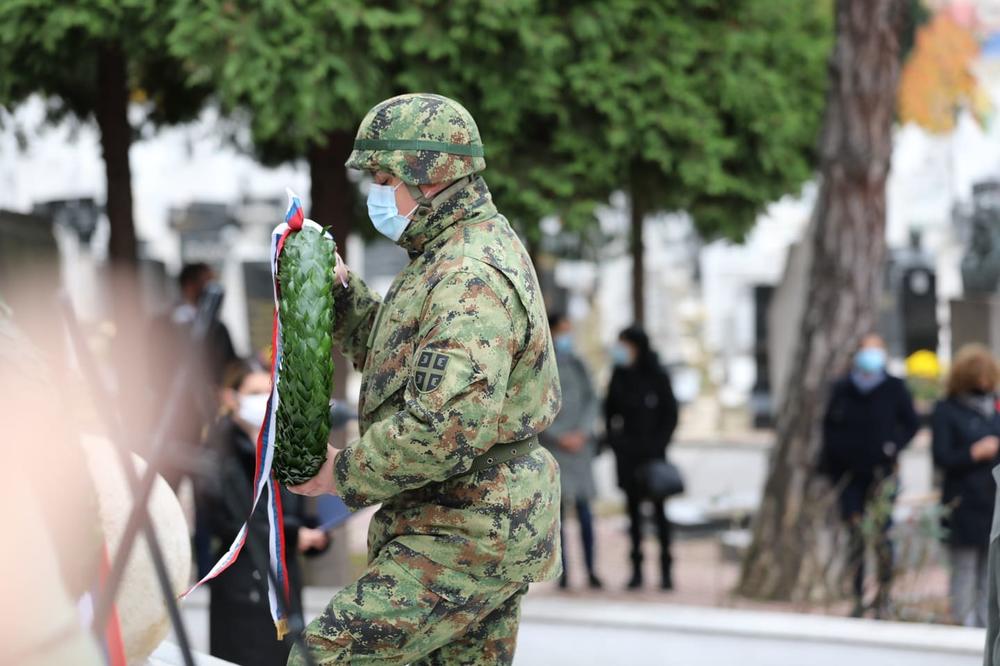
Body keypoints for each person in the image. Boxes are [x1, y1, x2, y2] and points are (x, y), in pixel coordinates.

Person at [286, 93, 562, 665]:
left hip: (468, 527)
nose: (377, 193)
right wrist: (336, 293)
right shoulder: (443, 255)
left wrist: (340, 473)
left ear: (428, 176)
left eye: (385, 177)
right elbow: (400, 367)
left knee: (324, 657)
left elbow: (443, 426)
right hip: (460, 518)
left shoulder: (468, 275)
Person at [202, 360, 328, 665]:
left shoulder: (280, 448)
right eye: (256, 392)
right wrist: (295, 534)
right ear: (231, 398)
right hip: (244, 586)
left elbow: (298, 510)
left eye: (270, 391)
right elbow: (231, 521)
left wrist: (318, 534)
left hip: (285, 583)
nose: (265, 400)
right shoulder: (217, 452)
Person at [819, 333, 920, 618]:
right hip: (850, 476)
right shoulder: (842, 388)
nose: (871, 356)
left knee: (881, 536)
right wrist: (833, 466)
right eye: (866, 350)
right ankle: (856, 596)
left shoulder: (894, 387)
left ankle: (884, 595)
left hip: (881, 475)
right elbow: (829, 429)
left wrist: (892, 447)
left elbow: (911, 425)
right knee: (855, 536)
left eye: (877, 350)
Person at [604, 325, 678, 591]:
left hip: (654, 456)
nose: (620, 350)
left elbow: (671, 414)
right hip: (628, 457)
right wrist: (616, 443)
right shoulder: (619, 374)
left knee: (659, 514)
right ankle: (636, 570)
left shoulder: (658, 375)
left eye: (625, 344)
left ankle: (666, 571)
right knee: (633, 515)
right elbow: (609, 411)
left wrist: (658, 445)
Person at [931, 344, 1000, 628]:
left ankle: (987, 628)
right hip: (962, 503)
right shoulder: (947, 410)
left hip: (993, 502)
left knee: (990, 572)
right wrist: (973, 453)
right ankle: (962, 624)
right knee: (964, 569)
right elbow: (942, 456)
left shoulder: (995, 408)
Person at [540, 312, 602, 590]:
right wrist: (557, 435)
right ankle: (562, 573)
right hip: (555, 448)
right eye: (562, 331)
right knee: (559, 516)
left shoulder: (578, 363)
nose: (566, 337)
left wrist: (583, 432)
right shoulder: (541, 363)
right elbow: (535, 405)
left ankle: (591, 570)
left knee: (586, 511)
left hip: (580, 448)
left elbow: (592, 400)